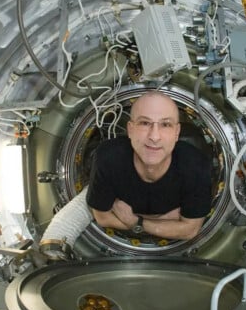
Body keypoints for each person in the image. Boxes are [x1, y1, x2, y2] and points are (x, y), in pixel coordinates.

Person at [86, 90, 212, 240]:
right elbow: (103, 218)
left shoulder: (196, 166)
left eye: (166, 124)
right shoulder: (108, 158)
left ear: (177, 132)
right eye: (145, 123)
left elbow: (190, 231)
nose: (154, 136)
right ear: (130, 129)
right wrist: (167, 220)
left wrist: (135, 221)